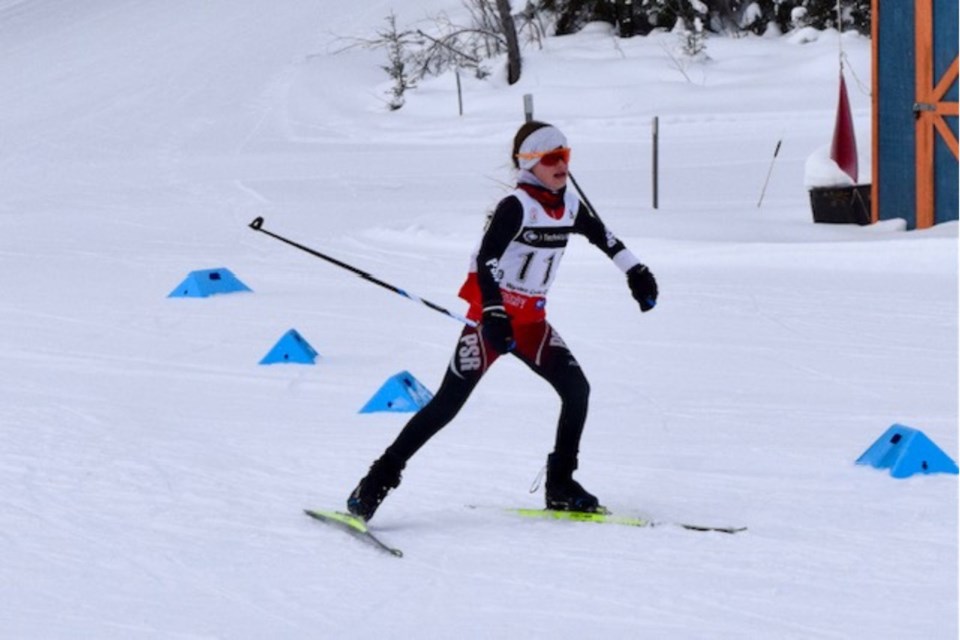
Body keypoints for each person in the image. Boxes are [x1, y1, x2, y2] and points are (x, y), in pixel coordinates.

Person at [346, 121, 658, 521]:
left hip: (532, 326)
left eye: (566, 156)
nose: (561, 165)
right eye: (551, 158)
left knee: (577, 391)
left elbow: (605, 237)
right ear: (529, 163)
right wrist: (492, 312)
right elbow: (486, 259)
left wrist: (635, 270)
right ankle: (374, 484)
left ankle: (561, 485)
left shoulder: (570, 206)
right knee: (446, 405)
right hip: (491, 325)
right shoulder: (518, 207)